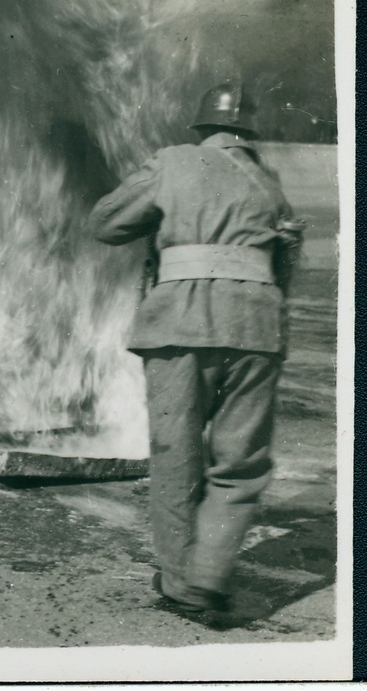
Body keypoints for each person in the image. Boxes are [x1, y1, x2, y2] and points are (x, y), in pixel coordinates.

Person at [89, 82, 304, 614]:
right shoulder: (270, 184)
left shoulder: (174, 161)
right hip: (258, 327)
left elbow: (106, 224)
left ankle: (181, 580)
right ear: (248, 132)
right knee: (241, 462)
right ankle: (209, 576)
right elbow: (286, 260)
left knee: (176, 452)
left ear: (203, 128)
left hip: (181, 322)